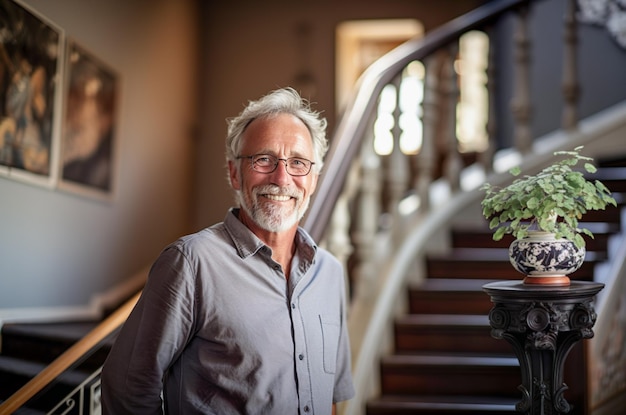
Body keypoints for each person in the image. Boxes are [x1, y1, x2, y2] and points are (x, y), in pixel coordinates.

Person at [101, 87, 355, 414]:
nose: (281, 178)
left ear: (314, 180)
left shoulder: (331, 273)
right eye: (263, 159)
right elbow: (127, 388)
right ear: (234, 173)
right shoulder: (191, 263)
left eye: (297, 162)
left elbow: (332, 397)